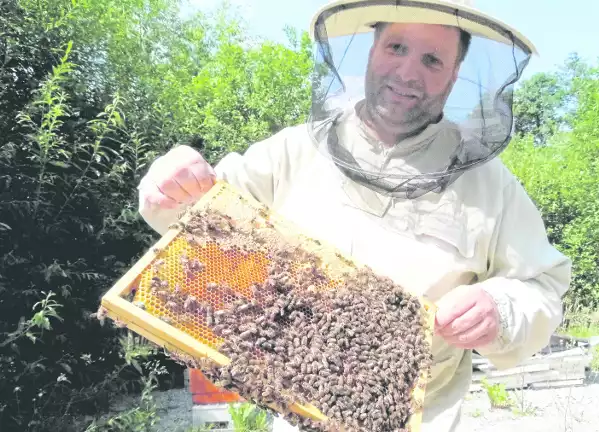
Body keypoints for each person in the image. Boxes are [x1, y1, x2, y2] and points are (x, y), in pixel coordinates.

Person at [137, 1, 572, 430]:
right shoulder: (290, 152)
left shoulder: (490, 185)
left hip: (419, 419)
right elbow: (196, 220)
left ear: (455, 75)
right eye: (396, 48)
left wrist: (500, 308)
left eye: (432, 59)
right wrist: (169, 184)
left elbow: (543, 285)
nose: (407, 73)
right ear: (371, 49)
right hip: (294, 408)